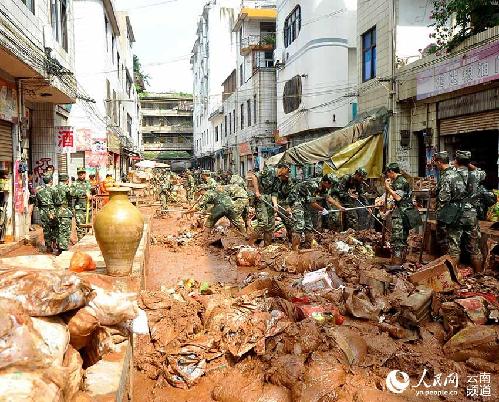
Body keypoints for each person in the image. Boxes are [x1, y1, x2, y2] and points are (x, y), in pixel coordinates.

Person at [383, 163, 421, 264]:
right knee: (402, 236)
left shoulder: (400, 181)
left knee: (398, 237)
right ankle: (401, 260)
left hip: (402, 213)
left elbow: (398, 197)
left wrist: (388, 188)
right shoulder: (399, 180)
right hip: (404, 211)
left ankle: (397, 261)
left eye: (387, 173)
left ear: (391, 172)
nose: (387, 176)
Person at [433, 151, 467, 264]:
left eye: (436, 163)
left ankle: (449, 270)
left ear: (439, 162)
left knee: (448, 243)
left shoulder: (446, 177)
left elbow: (443, 198)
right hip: (459, 210)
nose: (436, 166)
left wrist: (438, 214)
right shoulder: (457, 174)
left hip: (447, 213)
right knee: (454, 241)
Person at [454, 151, 483, 271]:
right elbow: (482, 173)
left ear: (456, 160)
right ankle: (478, 274)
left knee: (454, 247)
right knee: (474, 247)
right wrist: (468, 164)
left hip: (456, 213)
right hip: (471, 213)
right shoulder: (476, 174)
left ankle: (453, 276)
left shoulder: (452, 174)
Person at [250, 165, 276, 246]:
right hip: (261, 197)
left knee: (270, 225)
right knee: (264, 223)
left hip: (269, 199)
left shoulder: (279, 179)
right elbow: (254, 176)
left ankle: (267, 246)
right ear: (283, 169)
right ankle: (250, 242)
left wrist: (275, 204)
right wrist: (257, 191)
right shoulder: (270, 171)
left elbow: (275, 193)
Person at [272, 162, 295, 245]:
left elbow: (291, 195)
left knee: (289, 222)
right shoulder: (275, 178)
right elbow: (273, 192)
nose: (284, 176)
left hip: (284, 203)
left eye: (286, 175)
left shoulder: (289, 182)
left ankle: (291, 241)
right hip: (274, 201)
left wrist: (289, 206)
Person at [35, 174, 57, 252]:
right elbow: (57, 201)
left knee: (46, 228)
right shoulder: (54, 190)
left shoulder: (39, 191)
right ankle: (54, 242)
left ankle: (48, 246)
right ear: (51, 181)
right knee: (54, 227)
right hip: (53, 210)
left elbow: (37, 203)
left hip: (43, 211)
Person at [52, 174, 73, 254]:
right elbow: (72, 196)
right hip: (64, 212)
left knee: (58, 230)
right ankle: (63, 249)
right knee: (65, 230)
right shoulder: (67, 188)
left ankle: (58, 247)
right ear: (67, 180)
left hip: (56, 211)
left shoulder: (54, 188)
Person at [71, 168, 92, 241]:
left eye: (83, 173)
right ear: (77, 174)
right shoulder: (74, 184)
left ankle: (87, 241)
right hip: (79, 208)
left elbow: (91, 192)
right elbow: (72, 194)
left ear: (85, 174)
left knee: (88, 225)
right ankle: (80, 241)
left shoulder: (88, 183)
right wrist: (84, 194)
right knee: (80, 226)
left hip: (88, 207)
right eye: (80, 173)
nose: (81, 175)